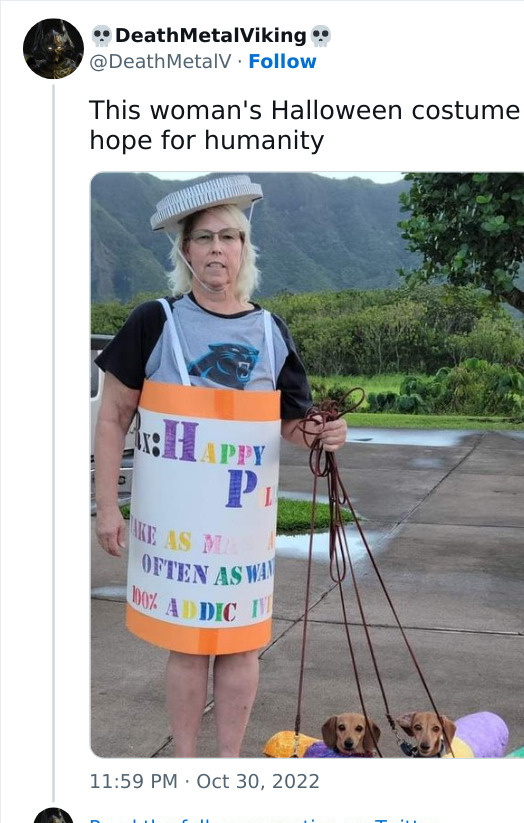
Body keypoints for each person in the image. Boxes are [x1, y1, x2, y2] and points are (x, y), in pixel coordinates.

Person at [94, 176, 347, 757]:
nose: (217, 249)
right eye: (204, 237)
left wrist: (325, 431)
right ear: (184, 251)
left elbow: (293, 422)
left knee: (240, 642)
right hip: (177, 529)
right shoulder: (155, 322)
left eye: (229, 237)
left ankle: (228, 766)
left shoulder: (270, 331)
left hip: (242, 527)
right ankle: (187, 765)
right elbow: (113, 418)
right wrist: (109, 507)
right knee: (186, 644)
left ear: (244, 249)